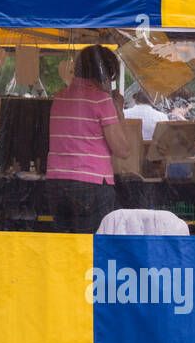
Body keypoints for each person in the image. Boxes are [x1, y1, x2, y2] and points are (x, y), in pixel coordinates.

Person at [45, 45, 132, 234]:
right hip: (91, 184)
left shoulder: (59, 97)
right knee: (91, 248)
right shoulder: (100, 100)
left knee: (64, 247)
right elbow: (123, 150)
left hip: (56, 182)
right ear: (105, 74)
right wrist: (118, 109)